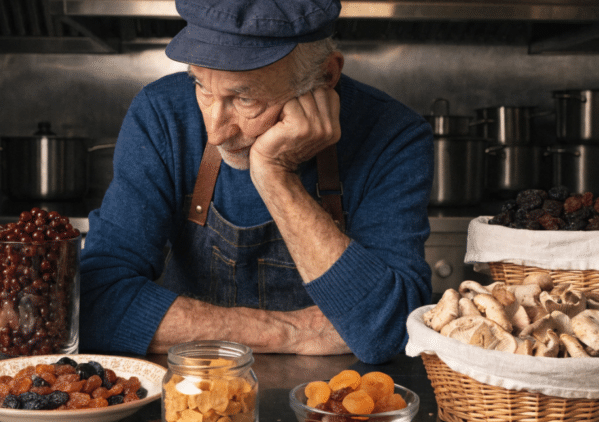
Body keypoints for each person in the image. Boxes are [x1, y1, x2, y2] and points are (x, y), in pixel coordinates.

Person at [79, 0, 433, 364]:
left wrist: (275, 175)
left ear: (326, 77)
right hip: (193, 401)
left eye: (244, 98)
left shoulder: (394, 136)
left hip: (338, 406)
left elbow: (392, 331)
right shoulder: (161, 115)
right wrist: (290, 331)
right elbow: (94, 302)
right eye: (201, 85)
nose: (215, 132)